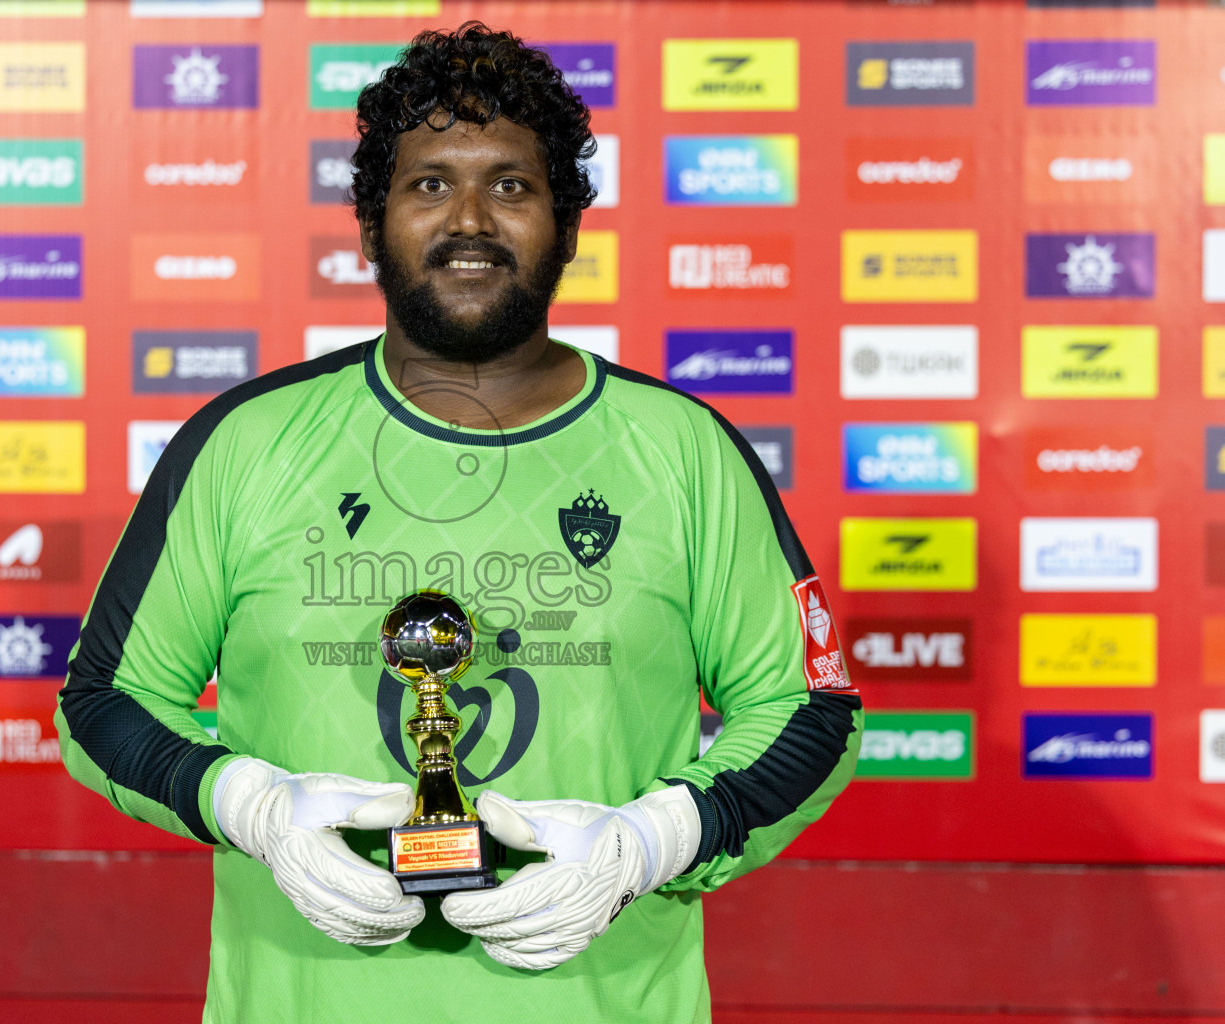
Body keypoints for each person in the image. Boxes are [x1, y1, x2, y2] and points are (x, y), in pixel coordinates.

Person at [57, 22, 861, 1024]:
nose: (470, 218)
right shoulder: (244, 442)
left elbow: (812, 710)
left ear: (568, 224)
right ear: (371, 221)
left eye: (512, 186)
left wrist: (654, 839)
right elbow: (102, 698)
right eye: (430, 183)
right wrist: (248, 806)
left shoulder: (686, 449)